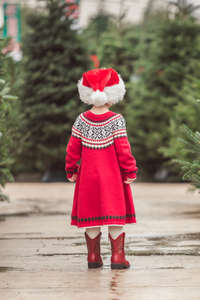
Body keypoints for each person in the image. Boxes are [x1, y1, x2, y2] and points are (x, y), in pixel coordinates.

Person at [65, 68, 138, 269]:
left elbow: (72, 149)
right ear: (114, 95)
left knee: (91, 216)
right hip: (112, 178)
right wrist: (130, 170)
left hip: (88, 178)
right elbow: (124, 149)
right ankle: (117, 257)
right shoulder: (116, 120)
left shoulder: (81, 120)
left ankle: (93, 256)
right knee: (115, 215)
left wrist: (71, 169)